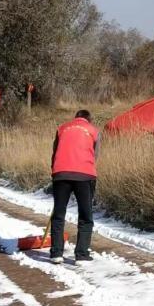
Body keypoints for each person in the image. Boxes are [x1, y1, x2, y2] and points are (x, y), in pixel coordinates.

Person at [49, 109, 99, 264]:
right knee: (85, 215)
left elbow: (55, 152)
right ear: (88, 119)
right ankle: (81, 254)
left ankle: (56, 253)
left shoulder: (62, 128)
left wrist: (55, 172)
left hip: (61, 174)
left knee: (58, 214)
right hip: (84, 175)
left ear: (75, 118)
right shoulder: (94, 131)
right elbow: (94, 155)